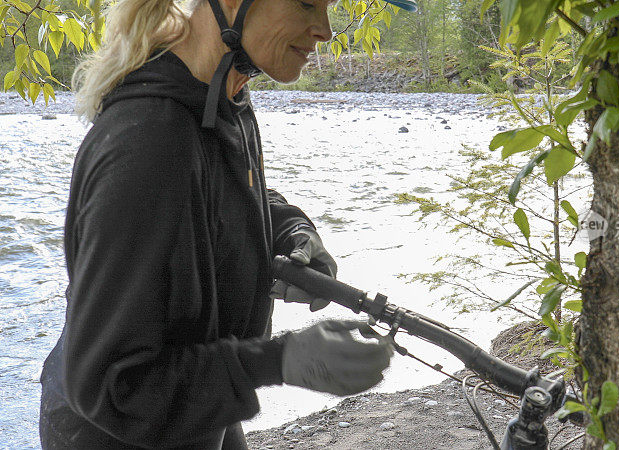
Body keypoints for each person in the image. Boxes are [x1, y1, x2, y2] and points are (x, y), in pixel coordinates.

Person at [37, 0, 414, 447]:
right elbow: (114, 385)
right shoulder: (148, 140)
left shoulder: (220, 96)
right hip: (117, 431)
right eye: (308, 2)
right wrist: (283, 360)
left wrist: (291, 230)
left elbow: (223, 193)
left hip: (196, 404)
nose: (325, 30)